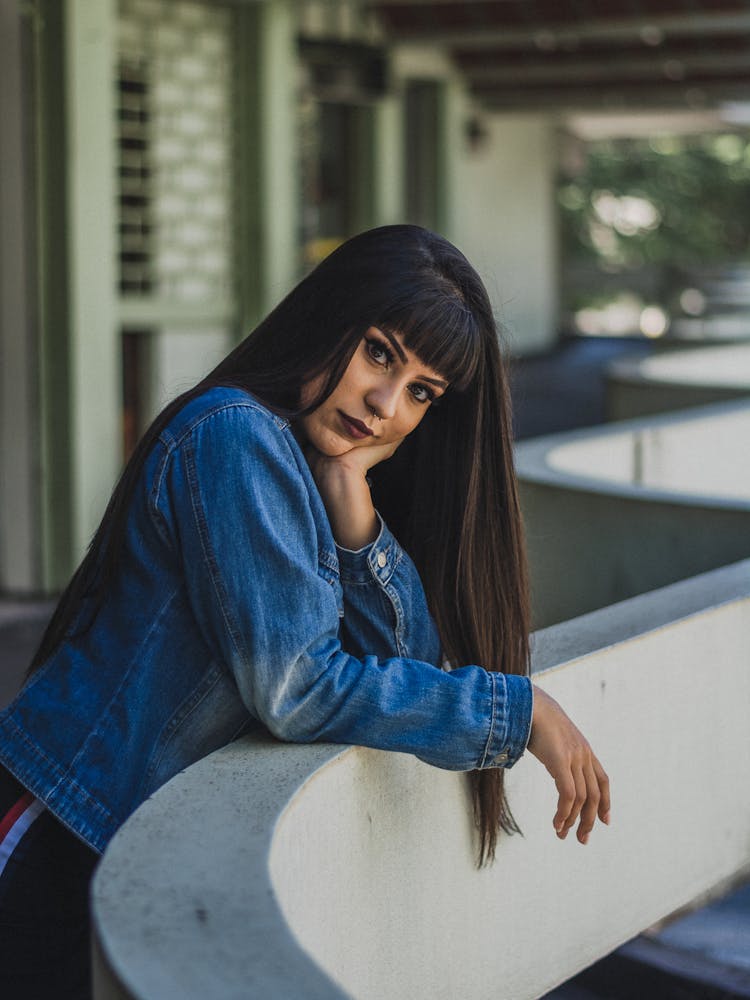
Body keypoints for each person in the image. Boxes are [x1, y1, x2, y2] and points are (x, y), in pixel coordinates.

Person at [0, 225, 609, 996]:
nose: (386, 405)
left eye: (422, 392)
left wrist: (356, 517)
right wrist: (513, 711)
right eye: (380, 353)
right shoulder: (236, 437)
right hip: (64, 824)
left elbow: (410, 670)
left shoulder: (309, 468)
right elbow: (297, 688)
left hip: (119, 834)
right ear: (331, 318)